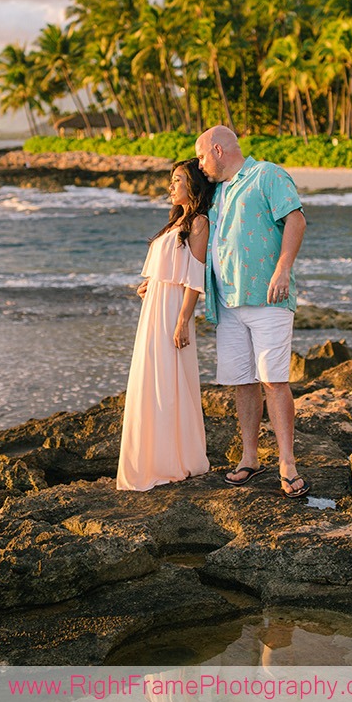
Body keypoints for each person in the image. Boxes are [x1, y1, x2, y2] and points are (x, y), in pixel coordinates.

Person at [195, 125, 310, 498]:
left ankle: (287, 462)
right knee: (243, 381)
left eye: (200, 157)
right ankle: (250, 457)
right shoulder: (218, 191)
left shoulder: (267, 175)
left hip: (267, 297)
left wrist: (283, 268)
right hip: (227, 302)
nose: (200, 166)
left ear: (217, 150)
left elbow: (296, 219)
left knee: (274, 379)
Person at [115, 158, 214, 491]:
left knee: (168, 380)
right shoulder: (177, 222)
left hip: (173, 310)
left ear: (193, 186)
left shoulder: (199, 223)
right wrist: (150, 284)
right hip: (156, 305)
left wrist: (184, 320)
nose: (171, 186)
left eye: (177, 180)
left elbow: (194, 278)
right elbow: (168, 268)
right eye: (171, 181)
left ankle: (174, 458)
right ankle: (153, 455)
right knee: (150, 378)